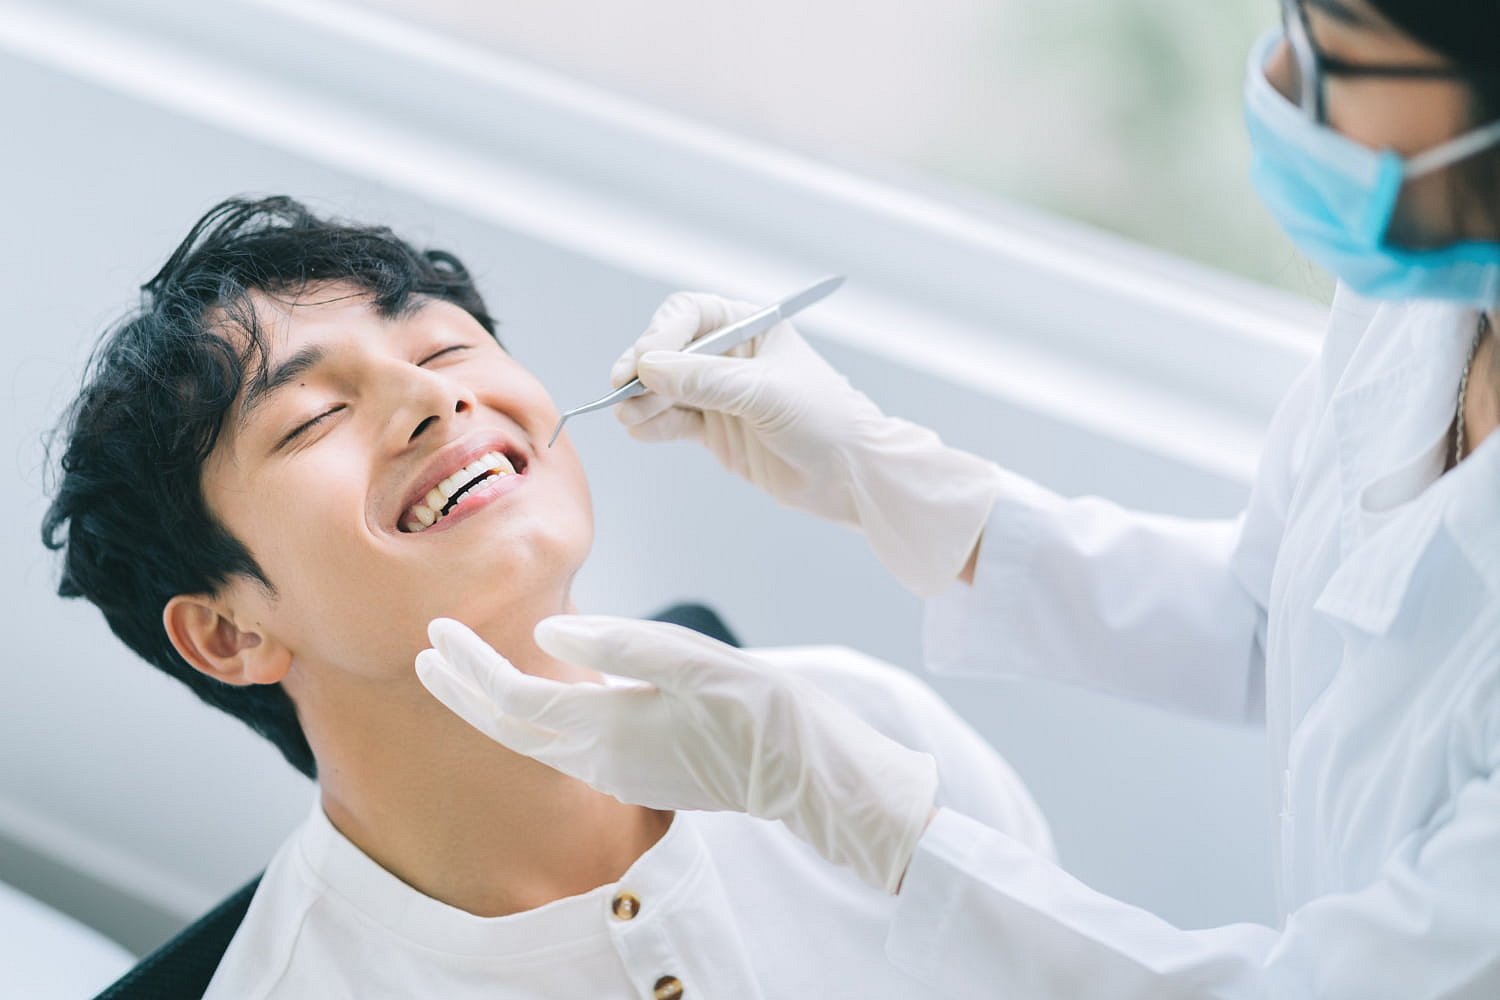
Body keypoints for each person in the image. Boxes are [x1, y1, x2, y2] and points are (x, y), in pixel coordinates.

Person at [414, 1, 1500, 996]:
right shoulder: (1431, 290)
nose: (1274, 70)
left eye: (1338, 39)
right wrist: (897, 482)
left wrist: (869, 817)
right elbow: (1282, 618)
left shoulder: (873, 718)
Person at [40, 195, 1053, 998]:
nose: (435, 398)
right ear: (225, 631)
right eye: (316, 416)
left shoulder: (868, 732)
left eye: (443, 350)